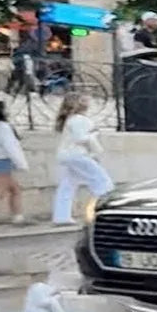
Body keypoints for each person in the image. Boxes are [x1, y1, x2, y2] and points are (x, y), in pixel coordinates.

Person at [51, 93, 114, 225]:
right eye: (85, 100)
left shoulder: (70, 119)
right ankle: (103, 212)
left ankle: (61, 217)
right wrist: (94, 135)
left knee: (68, 185)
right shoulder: (80, 119)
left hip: (68, 155)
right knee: (102, 182)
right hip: (78, 155)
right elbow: (80, 138)